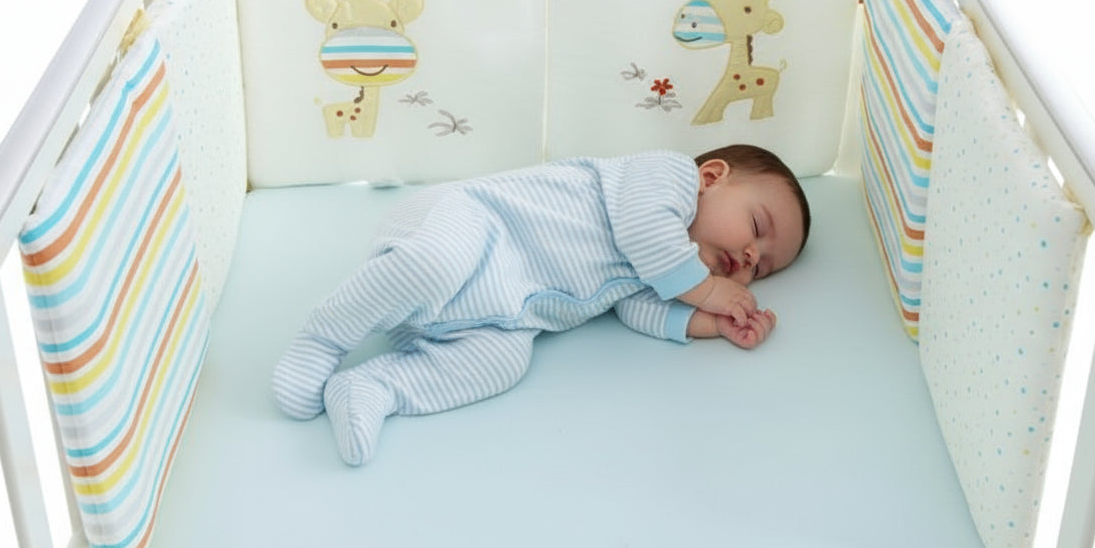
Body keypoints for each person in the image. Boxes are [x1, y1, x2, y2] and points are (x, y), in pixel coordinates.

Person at [272, 144, 810, 465]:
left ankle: (375, 386)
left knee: (505, 363)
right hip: (466, 228)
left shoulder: (666, 277)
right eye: (757, 228)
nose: (747, 256)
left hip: (500, 310)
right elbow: (649, 236)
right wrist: (713, 290)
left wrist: (710, 323)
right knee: (434, 262)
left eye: (761, 267)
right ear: (712, 178)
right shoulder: (664, 179)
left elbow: (634, 310)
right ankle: (322, 339)